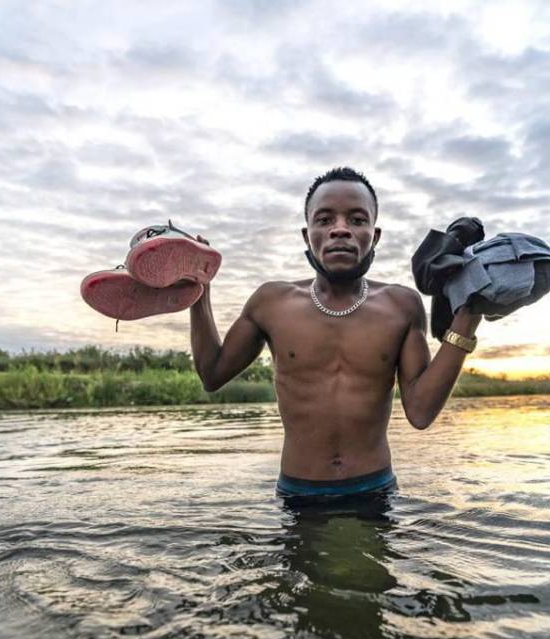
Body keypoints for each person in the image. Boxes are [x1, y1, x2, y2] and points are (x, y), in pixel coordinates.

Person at [189, 166, 482, 498]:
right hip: (299, 495)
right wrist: (199, 291)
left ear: (375, 235)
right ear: (307, 235)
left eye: (357, 220)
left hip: (375, 492)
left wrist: (469, 313)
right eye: (325, 219)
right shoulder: (271, 302)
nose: (340, 229)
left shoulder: (402, 305)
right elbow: (212, 375)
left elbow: (421, 412)